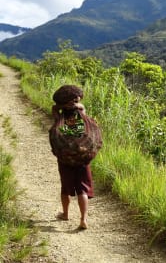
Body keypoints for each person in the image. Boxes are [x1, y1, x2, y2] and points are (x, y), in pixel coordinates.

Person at [49, 85, 102, 230]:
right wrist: (75, 103)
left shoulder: (59, 115)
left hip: (65, 157)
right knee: (82, 189)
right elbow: (81, 106)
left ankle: (65, 214)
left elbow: (55, 111)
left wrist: (61, 106)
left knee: (65, 188)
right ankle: (83, 219)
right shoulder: (81, 111)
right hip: (82, 155)